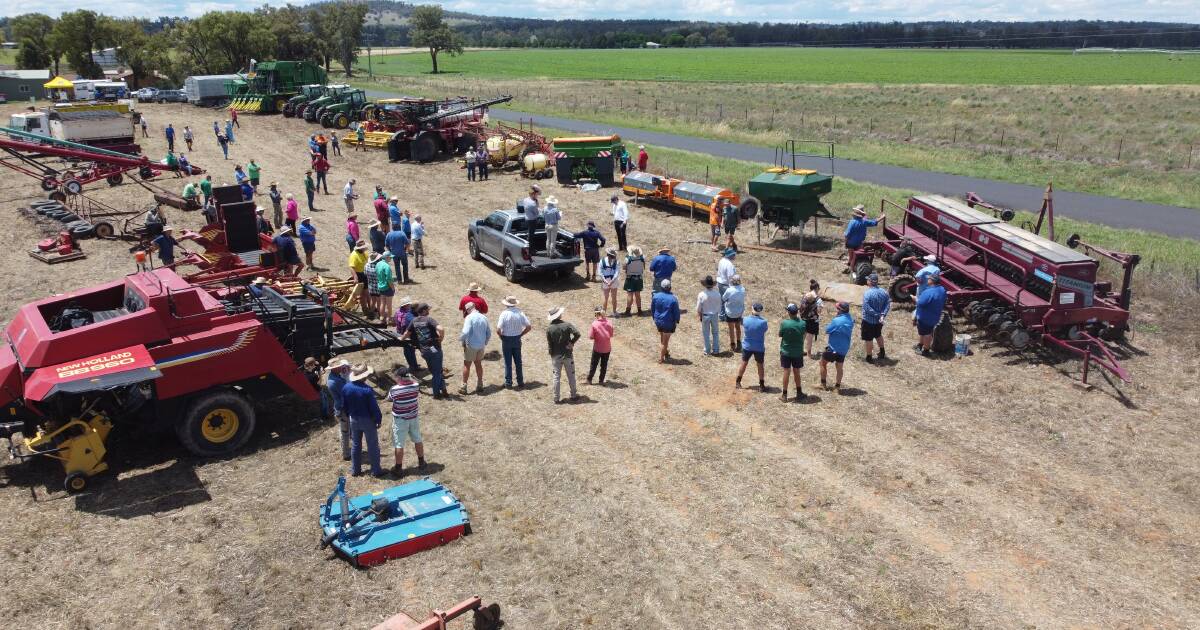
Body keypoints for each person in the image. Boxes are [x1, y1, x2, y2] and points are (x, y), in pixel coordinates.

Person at [343, 364, 384, 478]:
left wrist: (348, 414)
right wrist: (378, 419)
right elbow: (374, 407)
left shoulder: (346, 388)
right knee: (372, 445)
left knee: (356, 444)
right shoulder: (367, 390)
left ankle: (356, 470)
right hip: (367, 420)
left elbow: (344, 405)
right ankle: (376, 470)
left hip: (353, 419)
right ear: (364, 376)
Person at [386, 366, 426, 478]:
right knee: (417, 439)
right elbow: (416, 381)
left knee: (399, 444)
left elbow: (389, 399)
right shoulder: (416, 386)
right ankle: (421, 462)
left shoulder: (394, 389)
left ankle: (398, 468)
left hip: (400, 420)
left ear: (399, 377)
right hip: (413, 417)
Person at [409, 303, 448, 398]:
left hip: (424, 351)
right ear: (423, 311)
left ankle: (444, 390)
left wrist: (401, 339)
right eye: (427, 309)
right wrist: (441, 338)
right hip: (434, 349)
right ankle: (436, 394)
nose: (429, 311)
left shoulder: (414, 321)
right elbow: (441, 329)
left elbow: (407, 332)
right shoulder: (429, 319)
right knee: (437, 372)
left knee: (435, 371)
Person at [546, 306, 581, 403]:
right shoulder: (567, 325)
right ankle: (573, 395)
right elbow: (577, 334)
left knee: (556, 377)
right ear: (559, 315)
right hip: (567, 354)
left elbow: (550, 344)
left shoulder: (549, 328)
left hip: (556, 355)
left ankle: (556, 398)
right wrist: (572, 343)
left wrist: (551, 354)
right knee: (571, 376)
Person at [495, 295, 531, 389]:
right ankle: (520, 381)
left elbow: (498, 330)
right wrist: (521, 334)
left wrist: (501, 337)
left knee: (508, 362)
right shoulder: (520, 313)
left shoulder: (504, 314)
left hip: (506, 339)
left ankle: (508, 383)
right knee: (518, 362)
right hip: (517, 339)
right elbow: (528, 327)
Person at [821, 301, 854, 390]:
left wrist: (835, 319)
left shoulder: (837, 320)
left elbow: (827, 330)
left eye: (837, 309)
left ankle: (823, 385)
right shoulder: (851, 319)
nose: (836, 310)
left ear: (840, 310)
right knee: (839, 367)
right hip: (844, 348)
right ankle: (837, 387)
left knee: (823, 363)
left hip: (833, 348)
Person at [459, 302, 491, 395]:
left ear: (468, 310)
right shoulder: (484, 317)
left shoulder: (469, 317)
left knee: (467, 365)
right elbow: (488, 333)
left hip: (471, 345)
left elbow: (465, 332)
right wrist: (485, 342)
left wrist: (460, 339)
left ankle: (464, 386)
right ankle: (480, 384)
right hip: (481, 346)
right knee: (478, 364)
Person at [779, 303, 808, 402]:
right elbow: (804, 334)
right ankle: (799, 393)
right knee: (797, 371)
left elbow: (780, 334)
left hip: (786, 351)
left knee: (786, 372)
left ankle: (784, 395)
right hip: (798, 352)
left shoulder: (784, 323)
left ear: (788, 312)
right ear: (797, 312)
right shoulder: (803, 323)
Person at [735, 303, 768, 390]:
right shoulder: (764, 322)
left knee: (744, 363)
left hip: (747, 346)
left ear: (752, 309)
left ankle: (738, 382)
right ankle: (761, 385)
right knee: (760, 365)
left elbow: (741, 322)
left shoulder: (745, 320)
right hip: (759, 347)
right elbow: (764, 330)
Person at [843, 205, 886, 272]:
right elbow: (874, 222)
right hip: (859, 243)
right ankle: (852, 266)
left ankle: (851, 269)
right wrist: (882, 217)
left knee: (851, 255)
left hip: (851, 243)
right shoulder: (864, 222)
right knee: (855, 256)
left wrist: (845, 242)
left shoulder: (852, 222)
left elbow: (847, 234)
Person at [324, 358, 352, 461]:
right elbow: (346, 392)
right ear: (335, 368)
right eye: (339, 366)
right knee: (345, 432)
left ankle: (346, 449)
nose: (341, 367)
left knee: (345, 430)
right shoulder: (335, 381)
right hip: (342, 408)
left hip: (340, 407)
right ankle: (346, 454)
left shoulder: (334, 377)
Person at [914, 273, 947, 357]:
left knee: (927, 334)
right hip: (935, 315)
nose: (927, 280)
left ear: (932, 281)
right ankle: (920, 345)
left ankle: (926, 350)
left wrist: (915, 299)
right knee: (924, 332)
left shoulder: (928, 292)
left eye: (929, 279)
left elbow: (921, 303)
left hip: (925, 317)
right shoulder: (942, 289)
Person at [861, 273, 891, 362]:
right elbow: (888, 304)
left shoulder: (867, 293)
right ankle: (882, 352)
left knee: (868, 339)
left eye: (868, 280)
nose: (867, 281)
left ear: (870, 282)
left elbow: (867, 308)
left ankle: (869, 357)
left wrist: (877, 315)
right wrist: (882, 315)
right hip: (879, 321)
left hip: (868, 321)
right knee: (878, 335)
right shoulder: (884, 292)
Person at [651, 279, 680, 363]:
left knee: (662, 336)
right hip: (668, 322)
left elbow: (653, 309)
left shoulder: (656, 296)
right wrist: (677, 320)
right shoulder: (673, 299)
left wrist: (654, 318)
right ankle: (661, 358)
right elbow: (676, 312)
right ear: (670, 287)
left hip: (658, 321)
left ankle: (665, 352)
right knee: (665, 341)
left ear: (661, 287)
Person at [393, 297, 422, 374]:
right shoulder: (407, 314)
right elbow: (406, 326)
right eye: (409, 304)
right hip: (407, 334)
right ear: (406, 305)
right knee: (410, 350)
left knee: (407, 351)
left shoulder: (398, 312)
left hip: (400, 333)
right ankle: (413, 367)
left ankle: (413, 365)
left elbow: (395, 322)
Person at [587, 307, 614, 385]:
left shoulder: (594, 324)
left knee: (594, 364)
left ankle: (589, 379)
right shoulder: (610, 322)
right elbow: (611, 335)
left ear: (596, 314)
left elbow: (591, 337)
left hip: (597, 348)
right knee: (604, 365)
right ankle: (601, 380)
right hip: (607, 348)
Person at [696, 275, 722, 356]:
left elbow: (698, 308)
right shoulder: (717, 294)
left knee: (706, 333)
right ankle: (716, 350)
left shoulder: (701, 294)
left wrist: (700, 315)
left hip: (706, 315)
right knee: (715, 333)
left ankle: (707, 351)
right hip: (714, 315)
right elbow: (720, 305)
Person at [801, 280, 823, 358]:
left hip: (803, 319)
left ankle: (800, 350)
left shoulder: (804, 296)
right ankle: (809, 354)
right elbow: (819, 311)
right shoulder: (818, 299)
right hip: (812, 321)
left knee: (803, 335)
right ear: (816, 288)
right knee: (809, 338)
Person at [723, 275, 746, 350]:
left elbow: (723, 298)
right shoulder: (742, 289)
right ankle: (739, 342)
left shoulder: (729, 290)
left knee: (731, 328)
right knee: (738, 327)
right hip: (739, 312)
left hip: (730, 312)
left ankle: (732, 344)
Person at [622, 246, 646, 317]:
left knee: (630, 295)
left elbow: (624, 267)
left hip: (630, 278)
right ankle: (639, 310)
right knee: (638, 294)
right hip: (639, 278)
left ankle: (628, 311)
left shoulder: (628, 259)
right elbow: (643, 267)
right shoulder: (642, 258)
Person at [347, 240, 370, 314]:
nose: (365, 248)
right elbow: (351, 267)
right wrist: (355, 277)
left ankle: (370, 307)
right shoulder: (354, 255)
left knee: (367, 292)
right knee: (363, 293)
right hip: (359, 275)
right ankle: (365, 308)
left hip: (365, 274)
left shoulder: (364, 253)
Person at [599, 248, 621, 315]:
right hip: (613, 281)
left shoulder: (602, 261)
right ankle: (614, 312)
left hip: (605, 280)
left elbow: (600, 273)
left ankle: (603, 313)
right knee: (614, 297)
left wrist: (605, 281)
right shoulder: (616, 262)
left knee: (605, 297)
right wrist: (612, 281)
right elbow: (617, 273)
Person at [375, 252, 395, 324]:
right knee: (389, 305)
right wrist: (392, 288)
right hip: (387, 287)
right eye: (390, 257)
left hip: (380, 286)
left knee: (382, 303)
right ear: (386, 257)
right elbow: (389, 279)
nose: (391, 258)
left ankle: (381, 317)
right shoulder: (387, 266)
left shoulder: (378, 264)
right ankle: (389, 319)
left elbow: (376, 273)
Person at [364, 252, 381, 317]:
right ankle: (380, 314)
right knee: (379, 301)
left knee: (372, 300)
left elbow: (365, 274)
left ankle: (371, 313)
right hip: (378, 287)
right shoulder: (378, 267)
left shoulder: (366, 265)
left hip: (370, 286)